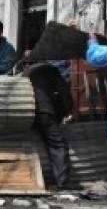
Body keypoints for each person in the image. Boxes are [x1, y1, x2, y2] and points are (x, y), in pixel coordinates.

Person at [24, 52, 75, 189]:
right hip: (45, 112)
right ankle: (63, 182)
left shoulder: (26, 73)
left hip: (29, 113)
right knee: (58, 144)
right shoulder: (50, 70)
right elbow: (63, 91)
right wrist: (68, 110)